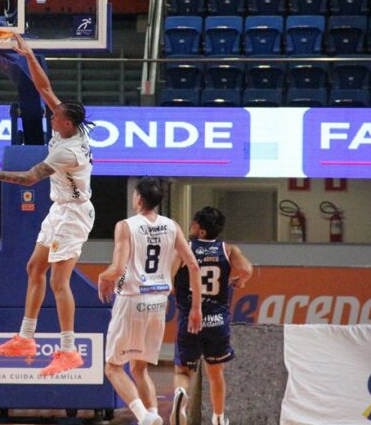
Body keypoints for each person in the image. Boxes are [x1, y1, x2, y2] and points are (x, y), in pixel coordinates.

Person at [0, 33, 95, 376]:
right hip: (60, 209)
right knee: (35, 268)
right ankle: (26, 338)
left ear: (67, 123)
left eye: (56, 116)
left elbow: (29, 178)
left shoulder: (68, 151)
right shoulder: (72, 127)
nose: (52, 116)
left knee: (59, 282)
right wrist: (30, 55)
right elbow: (44, 88)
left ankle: (69, 350)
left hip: (74, 214)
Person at [98, 177, 204, 425]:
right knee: (139, 368)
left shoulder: (126, 226)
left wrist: (104, 276)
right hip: (158, 302)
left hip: (132, 299)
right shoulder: (172, 226)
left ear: (138, 198)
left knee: (112, 367)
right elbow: (193, 265)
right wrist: (196, 307)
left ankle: (143, 415)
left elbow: (118, 268)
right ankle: (153, 416)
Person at [170, 207, 254, 425]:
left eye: (194, 223)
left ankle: (180, 394)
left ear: (202, 231)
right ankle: (218, 418)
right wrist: (240, 281)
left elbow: (169, 278)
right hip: (217, 322)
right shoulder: (228, 249)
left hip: (190, 319)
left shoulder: (185, 249)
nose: (191, 225)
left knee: (183, 371)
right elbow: (247, 269)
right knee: (215, 374)